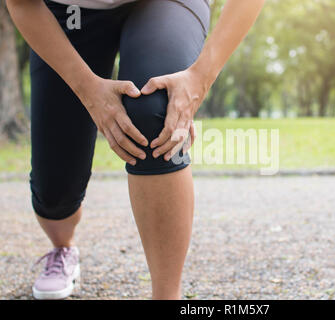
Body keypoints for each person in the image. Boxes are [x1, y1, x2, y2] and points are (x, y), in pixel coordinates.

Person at [6, 0, 264, 299]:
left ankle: (167, 295)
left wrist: (200, 77)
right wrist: (88, 90)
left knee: (154, 109)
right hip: (71, 10)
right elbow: (21, 4)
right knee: (55, 191)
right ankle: (63, 248)